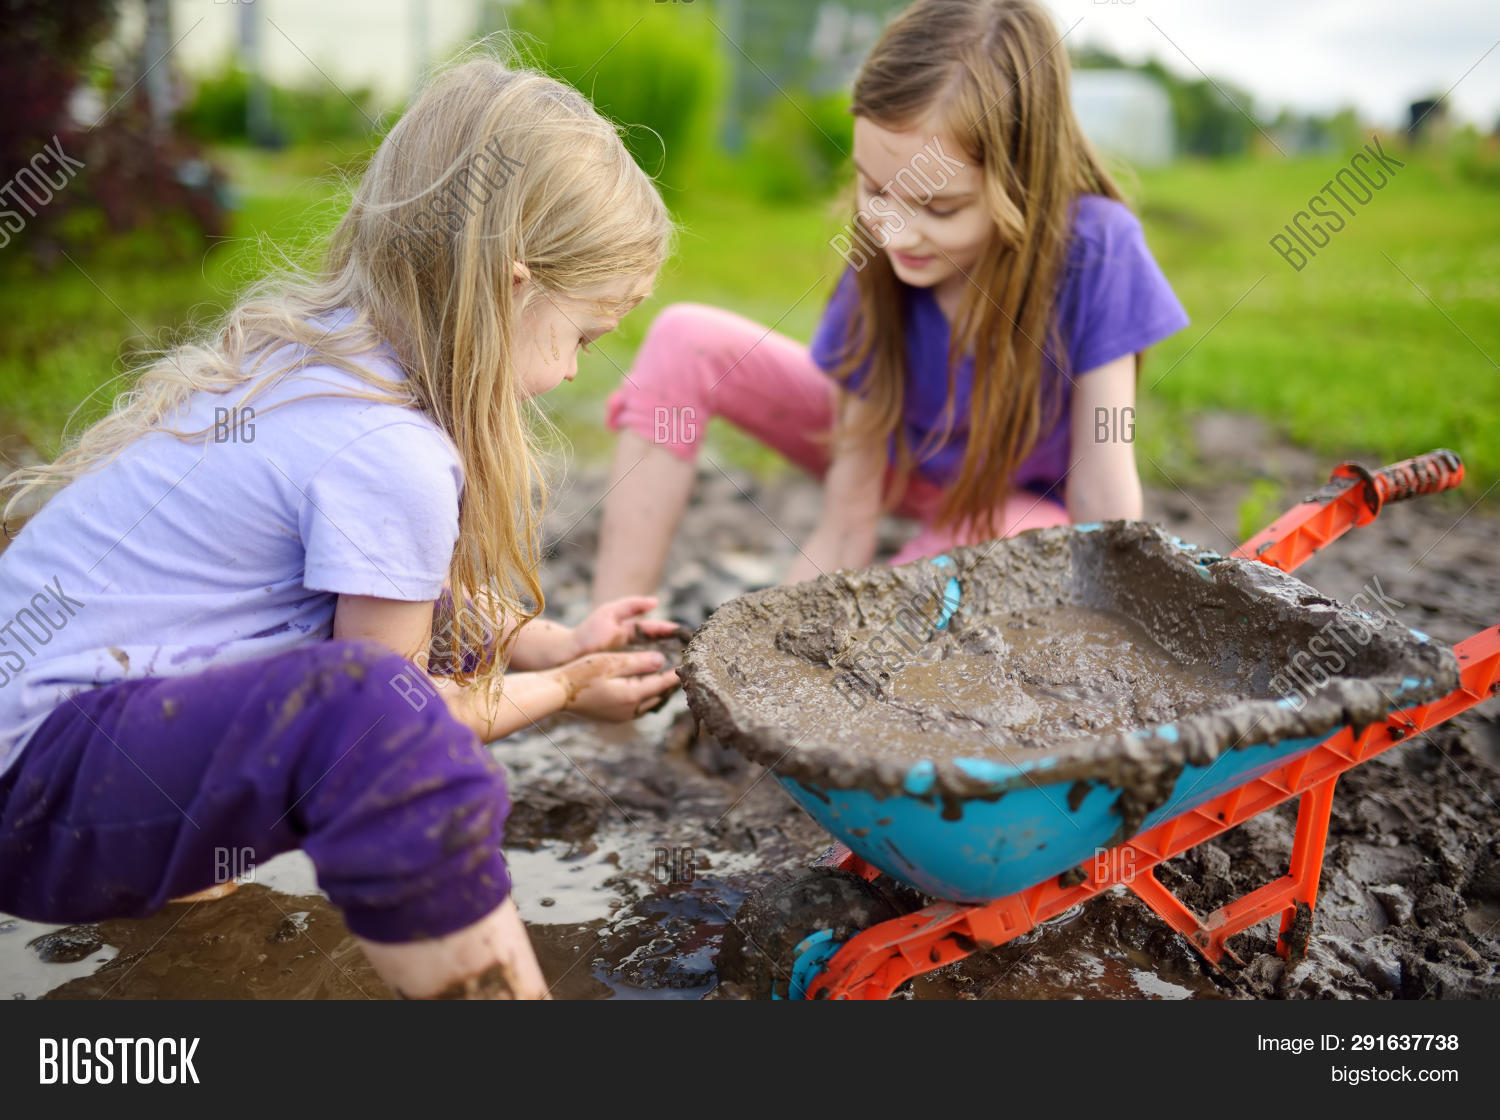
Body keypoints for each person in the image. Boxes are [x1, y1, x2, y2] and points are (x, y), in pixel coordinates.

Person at [0, 57, 682, 1000]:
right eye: (585, 337)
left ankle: (183, 902)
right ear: (512, 289)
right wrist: (561, 690)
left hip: (47, 755)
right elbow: (394, 719)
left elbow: (403, 588)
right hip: (38, 793)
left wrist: (555, 643)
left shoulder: (319, 365)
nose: (573, 373)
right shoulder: (390, 450)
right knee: (375, 723)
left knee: (339, 695)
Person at [591, 0, 1190, 608]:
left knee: (981, 557)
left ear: (1024, 178)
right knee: (684, 339)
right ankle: (606, 638)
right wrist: (773, 635)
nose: (896, 234)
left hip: (1009, 503)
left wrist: (1124, 609)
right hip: (894, 460)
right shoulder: (879, 248)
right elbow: (848, 518)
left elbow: (1102, 486)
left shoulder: (1098, 248)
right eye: (875, 190)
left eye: (940, 207)